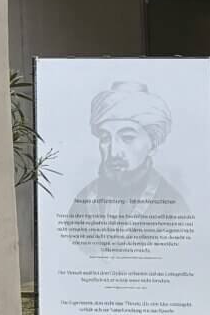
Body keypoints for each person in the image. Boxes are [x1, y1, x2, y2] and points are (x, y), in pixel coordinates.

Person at [63, 79, 190, 232]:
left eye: (127, 138)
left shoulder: (172, 206)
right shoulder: (84, 201)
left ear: (153, 145)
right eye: (105, 138)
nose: (113, 152)